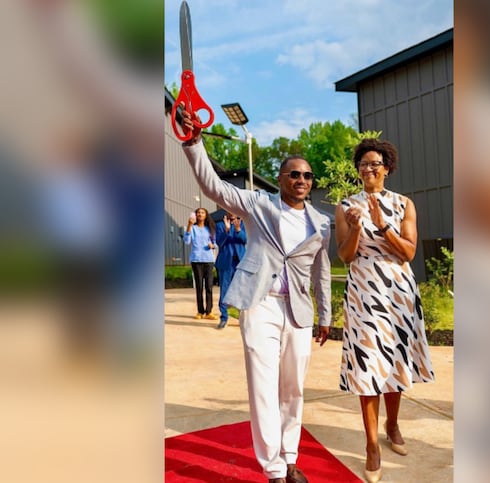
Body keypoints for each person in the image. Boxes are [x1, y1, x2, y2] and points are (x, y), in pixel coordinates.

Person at [180, 108, 331, 483]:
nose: (301, 179)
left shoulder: (322, 222)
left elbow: (321, 271)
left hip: (298, 310)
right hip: (261, 304)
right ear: (280, 179)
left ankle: (291, 457)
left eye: (307, 175)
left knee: (293, 387)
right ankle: (274, 469)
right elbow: (214, 186)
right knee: (263, 386)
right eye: (294, 173)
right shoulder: (258, 204)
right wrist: (194, 142)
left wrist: (326, 315)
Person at [335, 138, 435, 483]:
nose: (368, 169)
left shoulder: (404, 204)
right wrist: (359, 226)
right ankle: (371, 446)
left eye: (375, 163)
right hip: (364, 289)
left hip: (397, 291)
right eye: (363, 164)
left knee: (393, 362)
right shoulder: (346, 205)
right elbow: (345, 256)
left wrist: (381, 223)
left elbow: (408, 252)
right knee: (368, 365)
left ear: (387, 168)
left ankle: (392, 425)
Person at [183, 207, 218, 321]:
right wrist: (189, 225)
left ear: (206, 215)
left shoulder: (210, 229)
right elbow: (187, 241)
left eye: (202, 213)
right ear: (195, 215)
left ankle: (209, 312)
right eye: (198, 213)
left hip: (208, 260)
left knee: (209, 287)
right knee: (199, 287)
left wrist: (213, 246)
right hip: (196, 260)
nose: (200, 214)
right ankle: (200, 311)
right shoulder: (192, 228)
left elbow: (215, 243)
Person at [215, 212, 247, 329]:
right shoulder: (220, 225)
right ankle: (224, 317)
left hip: (240, 262)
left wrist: (238, 230)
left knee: (241, 290)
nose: (232, 212)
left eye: (235, 210)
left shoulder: (243, 223)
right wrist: (227, 231)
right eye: (230, 210)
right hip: (226, 262)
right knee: (224, 290)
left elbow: (245, 240)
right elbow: (219, 242)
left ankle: (242, 318)